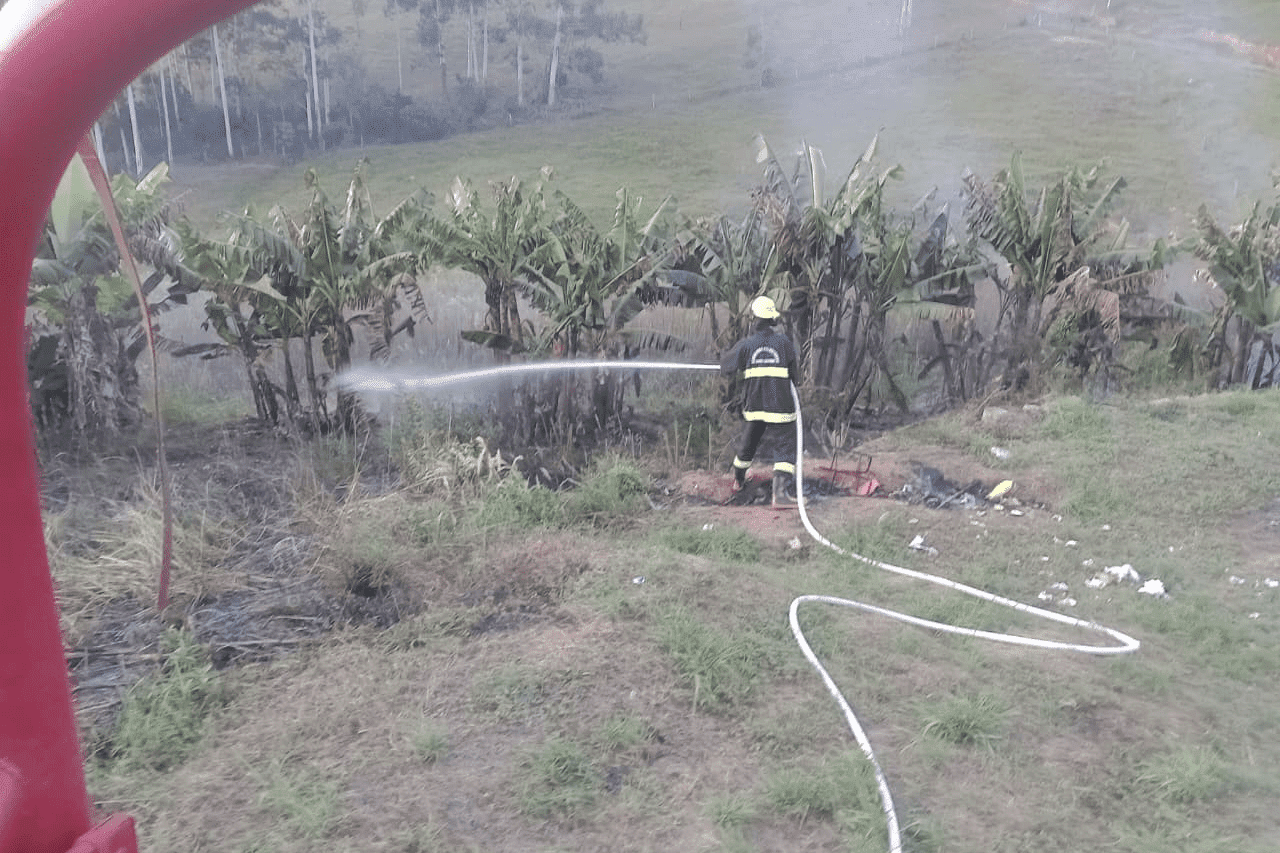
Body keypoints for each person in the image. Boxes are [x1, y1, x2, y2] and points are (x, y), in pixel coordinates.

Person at [720, 295, 801, 507]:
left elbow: (725, 366)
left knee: (748, 444)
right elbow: (795, 376)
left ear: (753, 319)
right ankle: (780, 495)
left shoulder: (746, 345)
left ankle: (738, 481)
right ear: (772, 320)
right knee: (784, 445)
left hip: (755, 406)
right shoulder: (783, 343)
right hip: (780, 406)